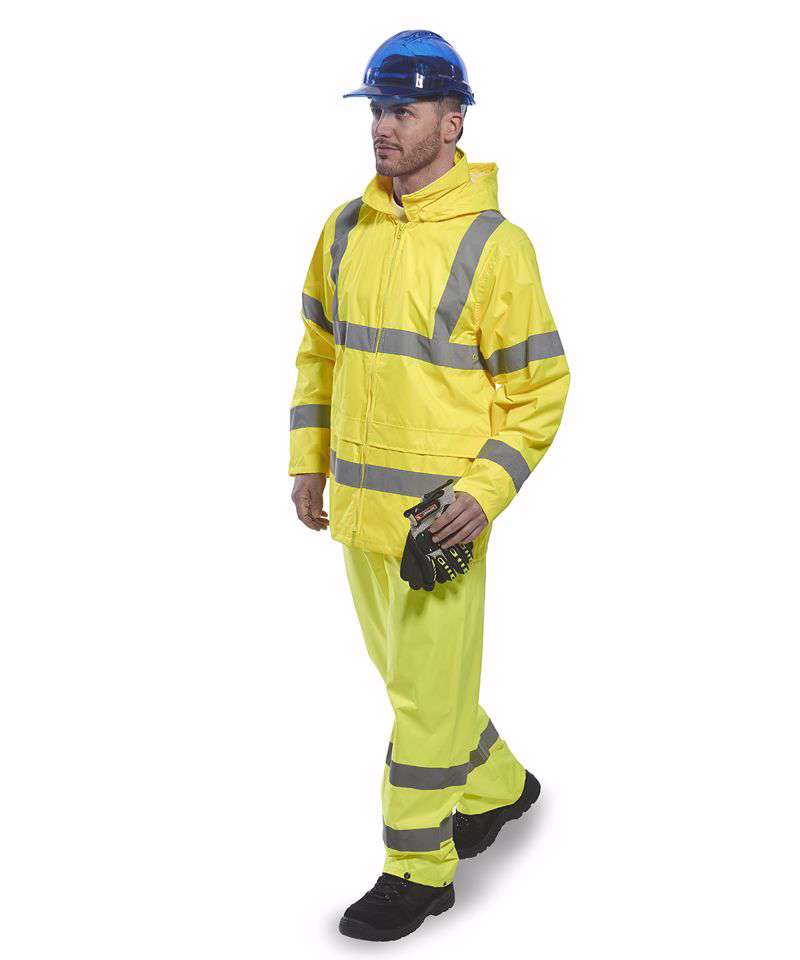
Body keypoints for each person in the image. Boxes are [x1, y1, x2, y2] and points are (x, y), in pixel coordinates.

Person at [288, 29, 570, 942]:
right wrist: (308, 460)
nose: (384, 126)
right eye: (377, 108)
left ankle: (417, 869)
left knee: (420, 699)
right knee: (417, 683)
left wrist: (481, 495)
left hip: (437, 525)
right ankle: (500, 785)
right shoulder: (344, 230)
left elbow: (539, 389)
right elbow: (320, 354)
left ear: (453, 122)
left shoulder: (496, 247)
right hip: (358, 515)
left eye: (403, 110)